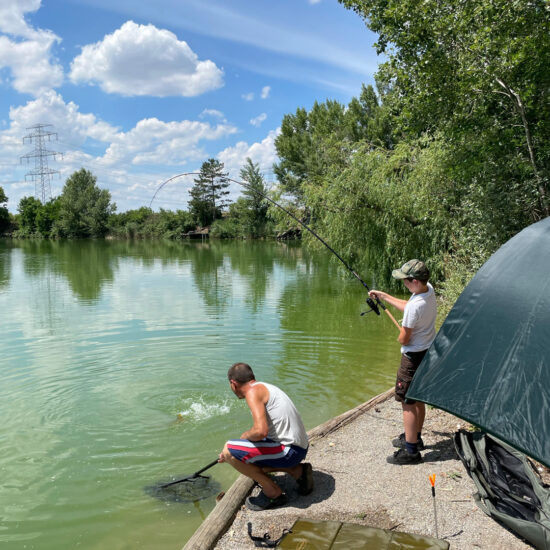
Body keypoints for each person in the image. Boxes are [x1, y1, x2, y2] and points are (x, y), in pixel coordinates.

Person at [218, 362, 313, 510]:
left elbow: (261, 431)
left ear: (233, 384)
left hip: (290, 451)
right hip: (300, 447)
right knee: (241, 454)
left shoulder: (252, 392)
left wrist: (242, 439)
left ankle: (273, 493)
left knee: (228, 449)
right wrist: (242, 449)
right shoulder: (264, 387)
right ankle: (298, 471)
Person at [369, 259, 437, 465]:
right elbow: (408, 305)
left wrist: (401, 333)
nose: (404, 284)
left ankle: (411, 451)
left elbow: (404, 338)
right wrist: (384, 296)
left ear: (415, 281)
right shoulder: (428, 291)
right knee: (419, 397)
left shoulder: (414, 309)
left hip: (412, 358)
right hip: (427, 351)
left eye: (406, 281)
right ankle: (416, 437)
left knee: (407, 402)